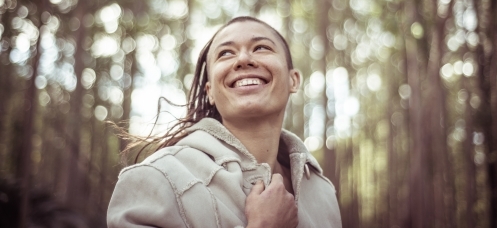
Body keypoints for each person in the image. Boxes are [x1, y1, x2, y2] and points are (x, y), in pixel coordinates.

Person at [107, 16, 342, 228]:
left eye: (261, 47)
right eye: (226, 53)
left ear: (293, 80)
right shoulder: (157, 178)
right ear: (210, 91)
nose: (243, 59)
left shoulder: (323, 193)